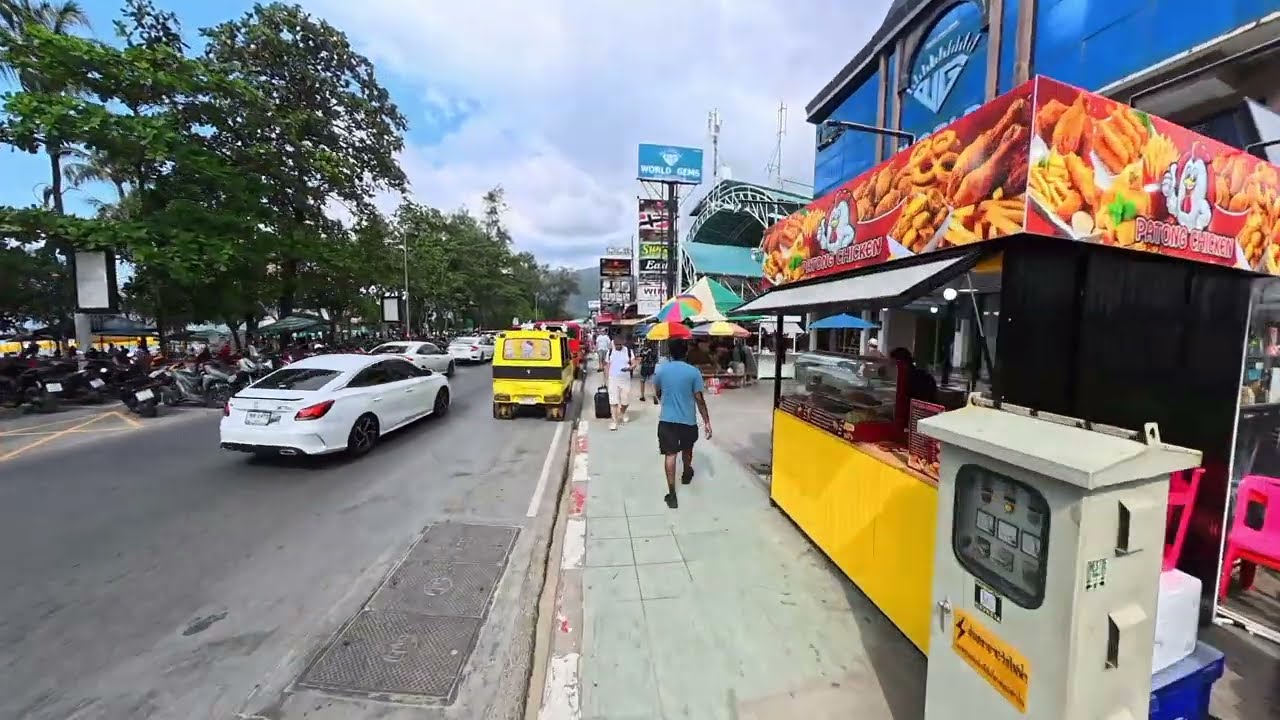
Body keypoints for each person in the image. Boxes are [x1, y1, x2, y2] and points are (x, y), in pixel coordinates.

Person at [654, 340, 711, 509]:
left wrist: (666, 401)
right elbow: (699, 399)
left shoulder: (662, 370)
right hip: (688, 420)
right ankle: (686, 473)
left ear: (670, 353)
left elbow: (658, 392)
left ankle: (672, 495)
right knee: (687, 448)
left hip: (667, 420)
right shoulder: (694, 372)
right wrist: (707, 421)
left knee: (670, 454)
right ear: (686, 353)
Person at [605, 334, 638, 430]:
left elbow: (634, 363)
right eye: (616, 345)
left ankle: (622, 413)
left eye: (620, 344)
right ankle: (614, 421)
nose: (618, 346)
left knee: (625, 400)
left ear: (623, 343)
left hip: (625, 379)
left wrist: (629, 368)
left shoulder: (628, 351)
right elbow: (607, 365)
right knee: (613, 401)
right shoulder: (610, 352)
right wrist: (606, 378)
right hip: (613, 379)